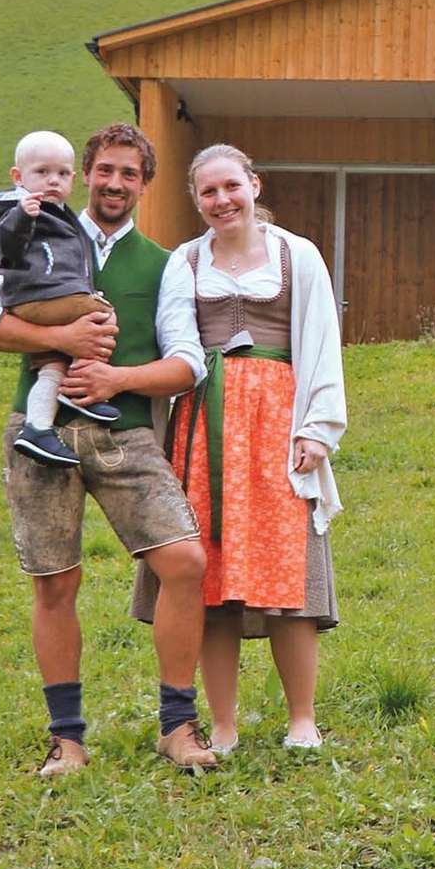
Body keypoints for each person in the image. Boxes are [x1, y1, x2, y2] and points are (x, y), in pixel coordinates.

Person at [0, 123, 220, 775]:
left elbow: (188, 362)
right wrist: (73, 336)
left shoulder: (163, 264)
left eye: (128, 174)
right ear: (85, 174)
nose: (114, 183)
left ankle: (177, 725)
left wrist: (116, 377)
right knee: (56, 582)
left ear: (143, 184)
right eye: (105, 170)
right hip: (39, 429)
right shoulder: (34, 230)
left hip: (123, 428)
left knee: (186, 561)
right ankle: (68, 739)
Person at [129, 143, 346, 753]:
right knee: (212, 581)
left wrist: (317, 429)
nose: (222, 201)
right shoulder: (185, 261)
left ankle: (301, 718)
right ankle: (222, 724)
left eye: (231, 186)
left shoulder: (296, 254)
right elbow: (169, 340)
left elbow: (323, 341)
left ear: (253, 184)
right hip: (204, 426)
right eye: (208, 192)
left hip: (278, 424)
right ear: (196, 201)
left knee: (290, 579)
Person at [0, 130, 122, 468]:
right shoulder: (20, 210)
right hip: (37, 295)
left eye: (62, 173)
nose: (53, 181)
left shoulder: (58, 214)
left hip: (43, 296)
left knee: (52, 365)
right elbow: (5, 250)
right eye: (42, 172)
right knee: (102, 316)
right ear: (18, 177)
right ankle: (81, 391)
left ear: (73, 178)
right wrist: (21, 217)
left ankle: (37, 427)